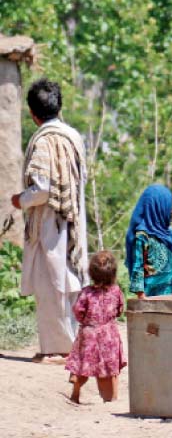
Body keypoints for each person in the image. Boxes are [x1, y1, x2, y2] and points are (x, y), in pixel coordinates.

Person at [11, 78, 88, 363]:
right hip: (72, 220)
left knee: (52, 284)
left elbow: (42, 188)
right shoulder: (73, 135)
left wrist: (21, 200)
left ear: (33, 113)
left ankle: (58, 349)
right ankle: (70, 346)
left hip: (49, 224)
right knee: (67, 282)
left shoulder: (44, 140)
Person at [65, 251, 126, 404]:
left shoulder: (86, 292)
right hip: (108, 335)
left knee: (83, 364)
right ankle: (109, 398)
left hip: (89, 332)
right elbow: (120, 309)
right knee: (108, 369)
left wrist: (85, 322)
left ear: (91, 273)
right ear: (113, 273)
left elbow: (78, 311)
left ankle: (76, 388)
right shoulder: (116, 291)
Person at [125, 184, 172, 298]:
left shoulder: (167, 233)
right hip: (152, 299)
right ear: (157, 206)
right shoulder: (143, 236)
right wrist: (142, 298)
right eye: (169, 206)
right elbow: (138, 268)